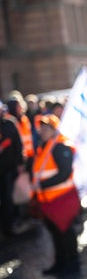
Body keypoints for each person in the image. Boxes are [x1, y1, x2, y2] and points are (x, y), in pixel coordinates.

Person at [33, 114, 80, 276]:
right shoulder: (43, 147)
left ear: (54, 129)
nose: (42, 131)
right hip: (48, 201)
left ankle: (73, 267)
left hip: (62, 200)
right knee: (56, 235)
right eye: (41, 128)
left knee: (66, 235)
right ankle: (60, 264)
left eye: (46, 128)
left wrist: (41, 184)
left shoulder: (60, 147)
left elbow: (65, 173)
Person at [0, 100, 24, 237]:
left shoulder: (10, 124)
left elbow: (18, 144)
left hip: (9, 168)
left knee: (9, 197)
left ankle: (9, 225)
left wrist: (20, 163)